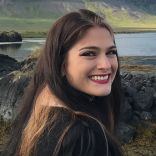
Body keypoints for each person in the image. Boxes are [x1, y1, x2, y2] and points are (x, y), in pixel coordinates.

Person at [3, 9, 123, 156]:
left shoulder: (38, 114)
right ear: (61, 64)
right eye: (89, 53)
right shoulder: (86, 137)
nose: (106, 65)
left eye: (111, 52)